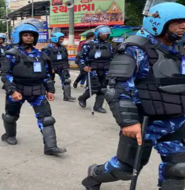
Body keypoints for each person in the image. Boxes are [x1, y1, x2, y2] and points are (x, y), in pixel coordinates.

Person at [81, 2, 185, 190]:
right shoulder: (135, 48)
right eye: (177, 22)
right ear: (159, 22)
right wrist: (128, 121)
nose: (183, 26)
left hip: (175, 120)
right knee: (126, 169)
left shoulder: (179, 49)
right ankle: (95, 175)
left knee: (179, 169)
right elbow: (117, 88)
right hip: (144, 121)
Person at [0, 22, 67, 155]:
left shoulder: (41, 55)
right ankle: (10, 135)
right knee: (11, 116)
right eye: (25, 35)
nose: (29, 37)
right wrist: (12, 91)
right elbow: (5, 74)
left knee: (46, 118)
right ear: (19, 37)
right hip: (17, 90)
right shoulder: (11, 54)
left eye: (31, 35)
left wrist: (50, 90)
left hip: (37, 90)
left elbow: (47, 74)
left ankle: (50, 147)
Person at [77, 25, 113, 113]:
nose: (105, 36)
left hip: (105, 69)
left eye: (106, 34)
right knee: (94, 88)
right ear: (98, 34)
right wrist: (84, 66)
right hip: (93, 69)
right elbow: (79, 57)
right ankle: (82, 98)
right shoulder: (88, 44)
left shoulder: (109, 45)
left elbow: (112, 57)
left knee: (103, 88)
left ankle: (98, 106)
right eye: (103, 34)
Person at [42, 32, 76, 102]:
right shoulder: (46, 48)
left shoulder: (63, 47)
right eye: (60, 39)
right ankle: (48, 93)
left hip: (62, 66)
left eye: (62, 39)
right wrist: (49, 68)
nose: (62, 40)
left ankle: (67, 96)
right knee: (49, 81)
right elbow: (44, 60)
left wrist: (67, 66)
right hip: (52, 66)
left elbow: (66, 57)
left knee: (66, 80)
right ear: (55, 39)